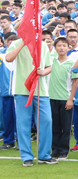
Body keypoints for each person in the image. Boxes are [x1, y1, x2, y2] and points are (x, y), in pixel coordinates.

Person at [6, 31, 55, 166]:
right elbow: (8, 58)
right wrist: (23, 43)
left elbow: (49, 66)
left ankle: (44, 155)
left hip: (41, 90)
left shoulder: (43, 45)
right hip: (21, 89)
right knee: (23, 124)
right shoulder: (16, 43)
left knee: (46, 121)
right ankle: (26, 156)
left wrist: (43, 72)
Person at [49, 37, 77, 159]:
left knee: (65, 127)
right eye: (59, 45)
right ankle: (54, 150)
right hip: (51, 98)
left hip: (66, 98)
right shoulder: (51, 61)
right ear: (55, 48)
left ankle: (63, 150)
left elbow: (75, 82)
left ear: (68, 48)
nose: (61, 48)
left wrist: (71, 98)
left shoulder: (72, 63)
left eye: (64, 45)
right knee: (54, 126)